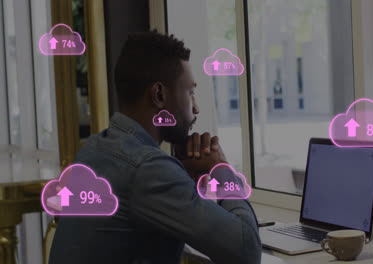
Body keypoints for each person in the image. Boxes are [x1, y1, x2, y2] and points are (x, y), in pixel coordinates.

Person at [48, 31, 261, 264]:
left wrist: (180, 175)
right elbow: (246, 251)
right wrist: (221, 167)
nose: (196, 108)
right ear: (159, 94)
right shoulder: (147, 168)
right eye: (190, 92)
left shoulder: (94, 148)